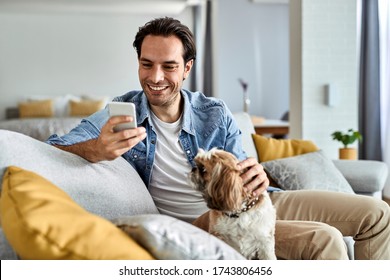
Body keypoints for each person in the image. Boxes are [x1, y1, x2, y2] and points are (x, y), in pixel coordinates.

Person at [47, 17, 390, 260]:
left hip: (259, 202)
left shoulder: (214, 112)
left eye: (168, 66)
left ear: (187, 67)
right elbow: (55, 147)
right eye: (146, 64)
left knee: (377, 214)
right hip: (212, 221)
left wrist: (254, 172)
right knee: (326, 241)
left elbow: (241, 166)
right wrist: (97, 148)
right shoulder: (121, 114)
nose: (155, 77)